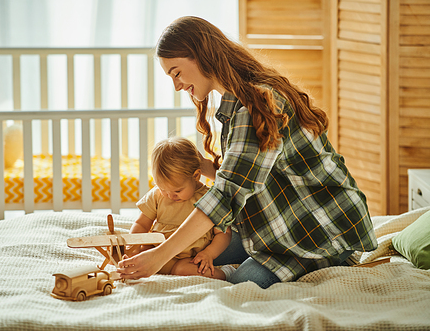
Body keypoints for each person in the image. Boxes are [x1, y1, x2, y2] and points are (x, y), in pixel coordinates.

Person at [118, 16, 378, 289]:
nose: (177, 85)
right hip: (279, 224)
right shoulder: (236, 104)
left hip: (321, 232)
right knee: (195, 253)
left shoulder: (256, 106)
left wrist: (158, 257)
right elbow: (249, 176)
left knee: (243, 282)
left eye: (176, 72)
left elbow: (227, 195)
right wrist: (201, 167)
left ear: (200, 56)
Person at [128, 136, 234, 280]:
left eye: (177, 191)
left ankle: (226, 273)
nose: (170, 195)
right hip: (157, 249)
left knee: (183, 270)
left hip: (189, 258)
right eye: (163, 188)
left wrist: (209, 253)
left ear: (196, 176)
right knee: (138, 254)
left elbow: (224, 233)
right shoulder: (157, 195)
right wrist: (132, 247)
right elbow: (141, 224)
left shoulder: (209, 197)